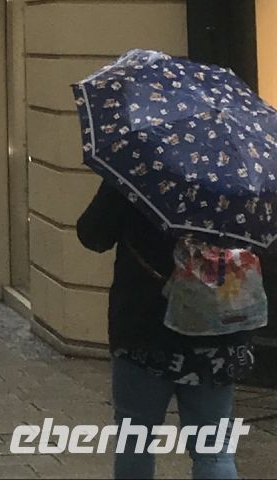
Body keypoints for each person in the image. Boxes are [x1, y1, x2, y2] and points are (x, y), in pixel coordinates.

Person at [77, 178, 254, 480]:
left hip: (143, 327)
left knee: (135, 440)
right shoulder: (239, 178)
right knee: (213, 448)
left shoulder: (136, 169)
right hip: (216, 330)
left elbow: (93, 235)